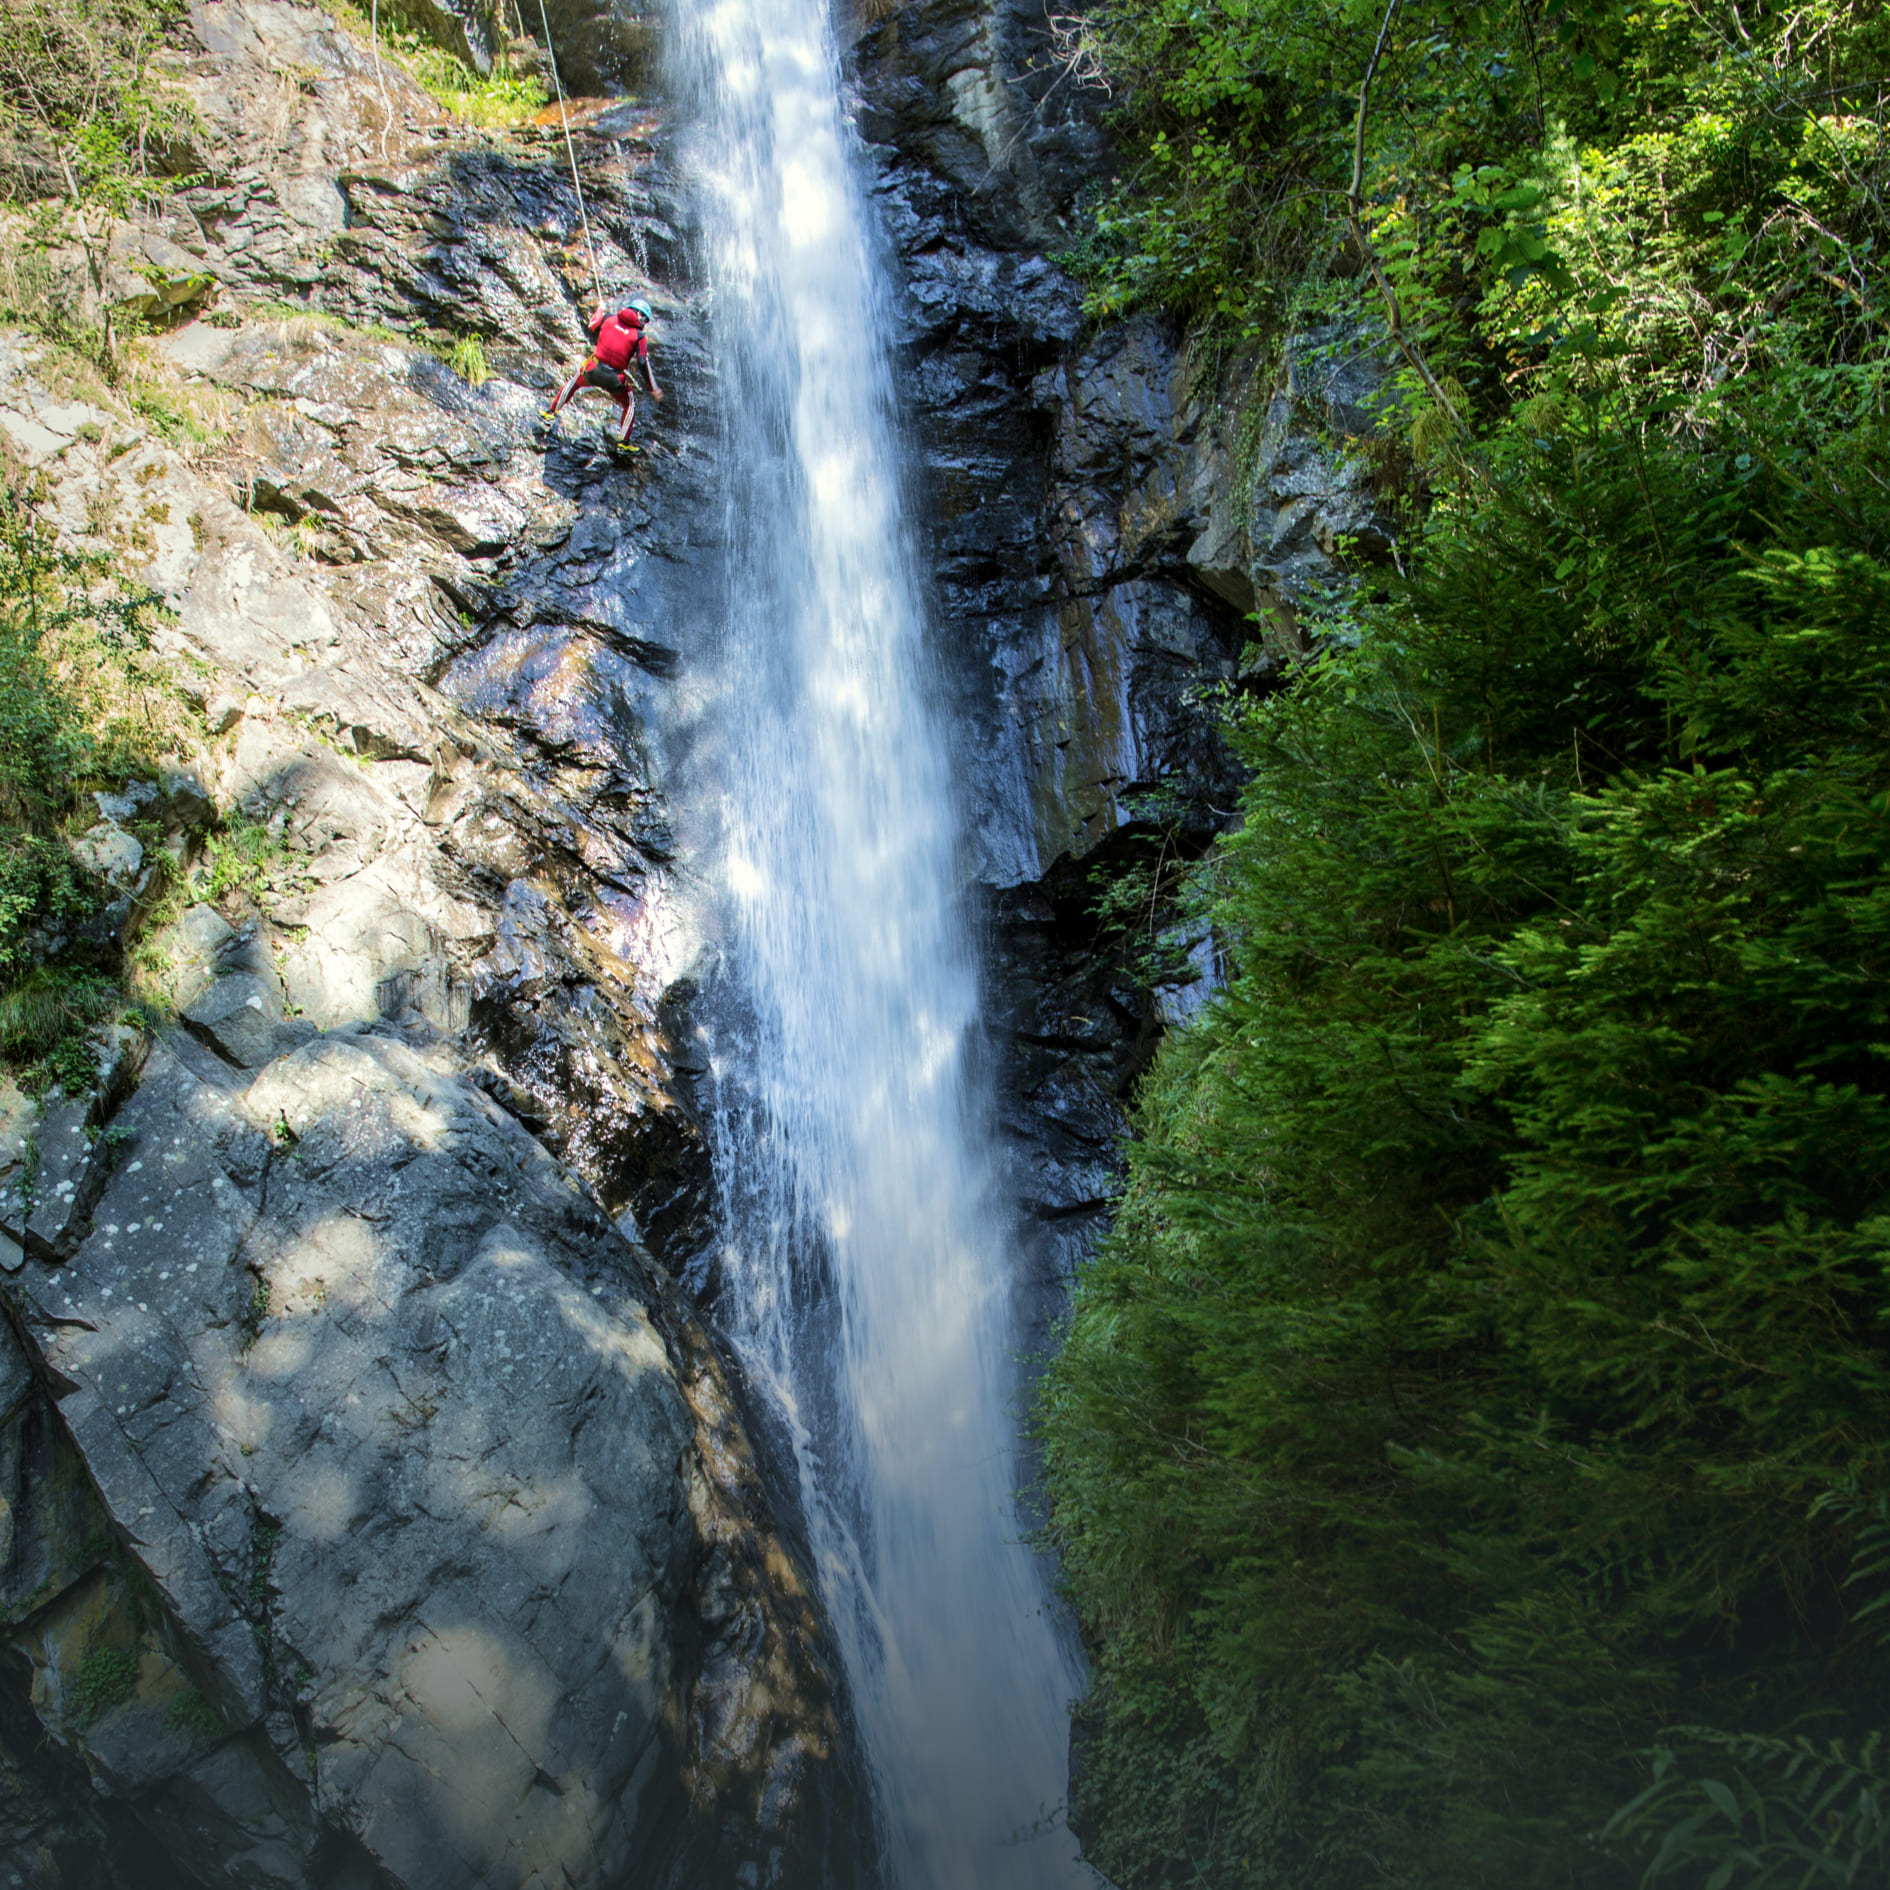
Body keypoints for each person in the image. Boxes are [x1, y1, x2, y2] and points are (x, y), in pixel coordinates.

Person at [546, 297, 663, 450]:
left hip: (593, 369)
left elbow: (592, 325)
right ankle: (624, 444)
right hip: (614, 378)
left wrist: (600, 309)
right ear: (639, 314)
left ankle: (551, 412)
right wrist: (651, 387)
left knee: (574, 383)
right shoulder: (639, 336)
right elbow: (642, 362)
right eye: (645, 320)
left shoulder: (608, 317)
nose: (644, 324)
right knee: (630, 405)